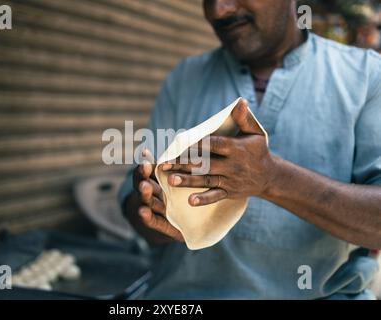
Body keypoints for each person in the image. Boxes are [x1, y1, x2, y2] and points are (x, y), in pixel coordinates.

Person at [118, 0, 381, 299]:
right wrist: (153, 210)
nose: (219, 11)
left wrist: (273, 179)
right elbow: (137, 212)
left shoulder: (368, 77)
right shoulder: (184, 78)